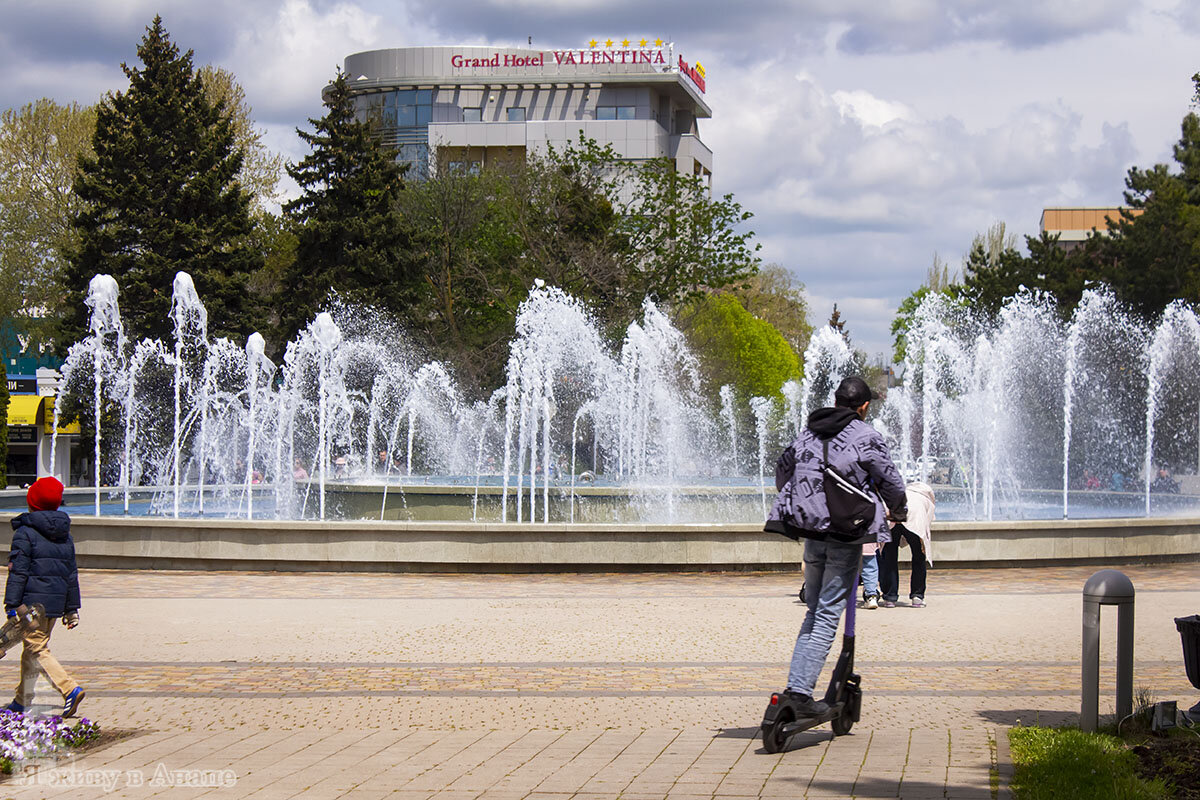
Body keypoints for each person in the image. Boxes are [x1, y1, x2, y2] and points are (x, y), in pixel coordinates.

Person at [766, 376, 907, 717]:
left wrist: (805, 499)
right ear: (864, 406)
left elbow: (784, 469)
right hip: (846, 531)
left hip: (812, 531)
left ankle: (795, 686)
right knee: (828, 613)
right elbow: (889, 479)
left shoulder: (809, 431)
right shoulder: (866, 435)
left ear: (835, 400)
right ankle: (799, 693)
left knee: (814, 611)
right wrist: (898, 509)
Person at [3, 477, 85, 718]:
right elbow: (71, 573)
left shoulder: (25, 533)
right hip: (54, 606)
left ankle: (69, 688)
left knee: (37, 649)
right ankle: (21, 701)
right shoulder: (65, 535)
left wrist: (12, 604)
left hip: (30, 607)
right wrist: (71, 609)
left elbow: (18, 571)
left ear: (31, 504)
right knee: (32, 649)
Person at [879, 481, 936, 608]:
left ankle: (890, 597)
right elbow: (926, 524)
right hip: (914, 519)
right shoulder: (925, 499)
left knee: (890, 557)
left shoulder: (903, 493)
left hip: (894, 518)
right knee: (919, 556)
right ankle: (917, 596)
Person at [861, 543, 882, 609]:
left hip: (845, 541)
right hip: (868, 541)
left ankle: (839, 596)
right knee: (869, 569)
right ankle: (872, 596)